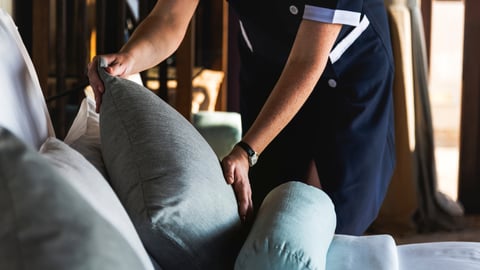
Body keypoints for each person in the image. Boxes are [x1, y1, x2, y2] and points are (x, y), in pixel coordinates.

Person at [88, 0, 395, 235]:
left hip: (344, 74)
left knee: (332, 217)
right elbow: (168, 18)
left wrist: (247, 151)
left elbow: (306, 61)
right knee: (267, 212)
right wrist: (128, 60)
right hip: (269, 69)